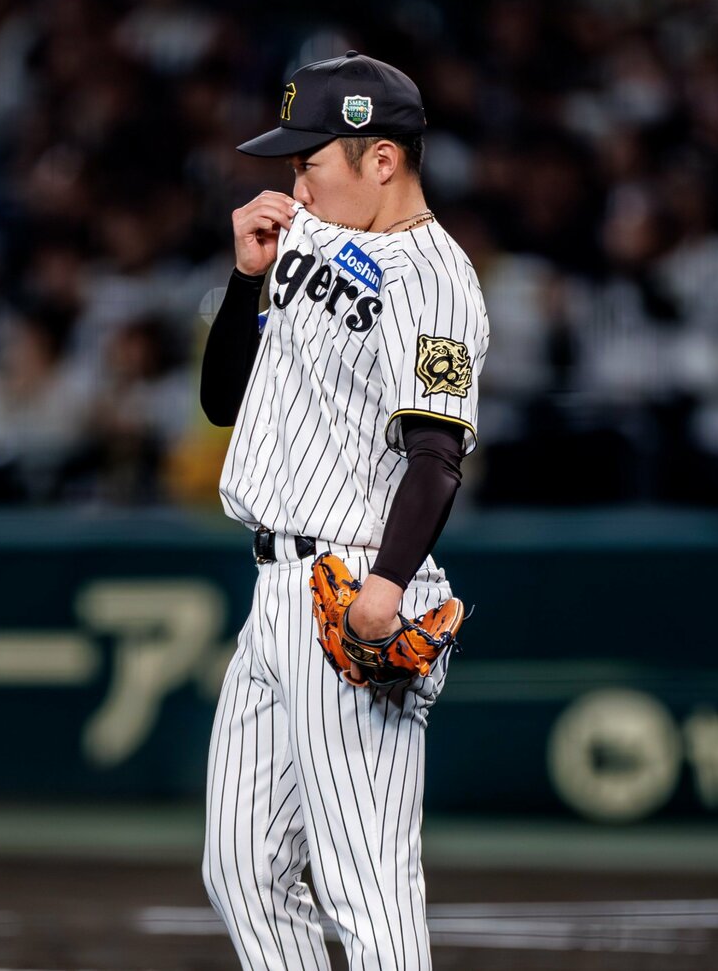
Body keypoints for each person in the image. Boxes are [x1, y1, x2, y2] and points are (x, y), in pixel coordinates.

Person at [197, 51, 488, 969]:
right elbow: (220, 401)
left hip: (354, 580)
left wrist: (387, 586)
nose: (295, 181)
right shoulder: (310, 235)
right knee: (241, 868)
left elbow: (437, 455)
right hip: (273, 590)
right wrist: (247, 278)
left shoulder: (437, 281)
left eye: (310, 160)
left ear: (382, 159)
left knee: (366, 882)